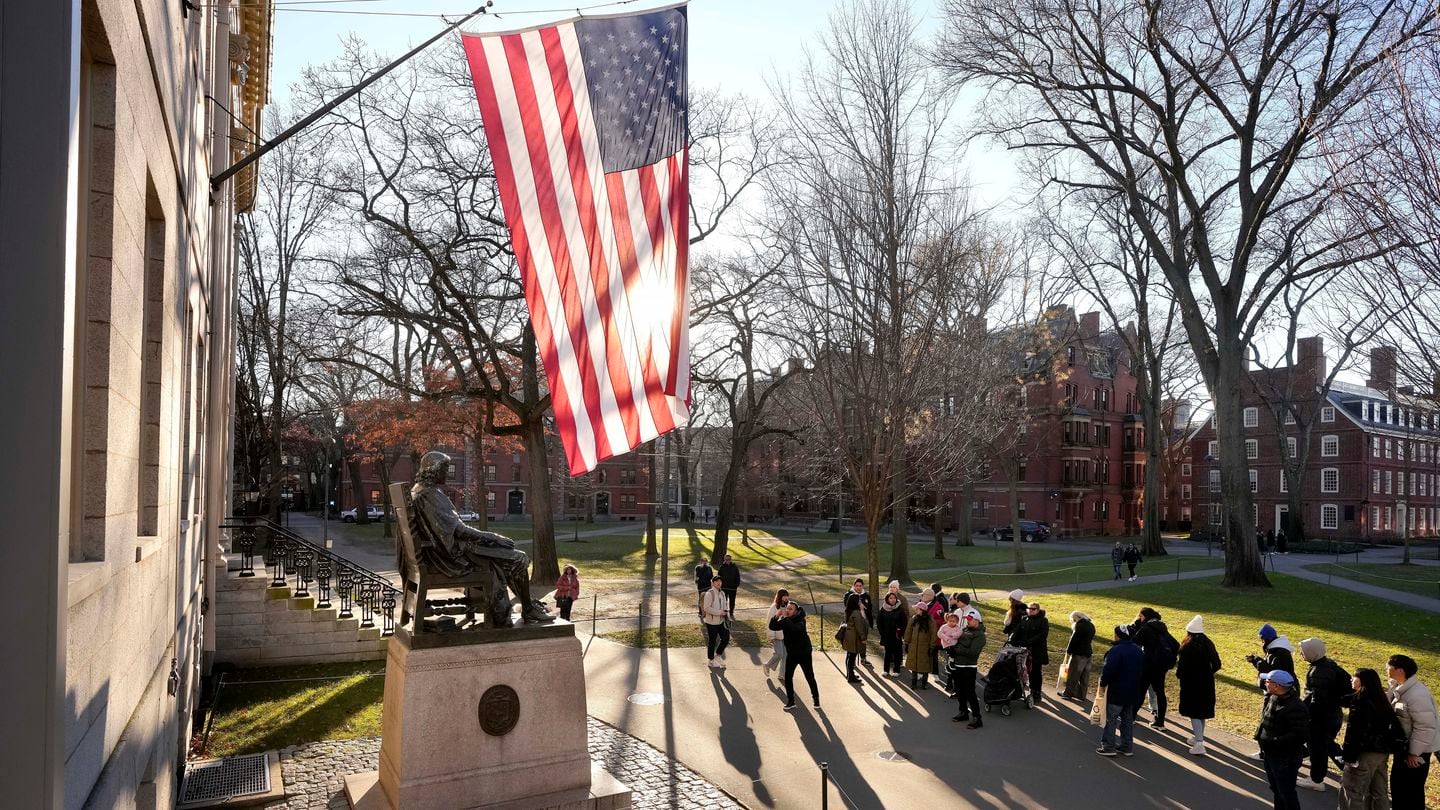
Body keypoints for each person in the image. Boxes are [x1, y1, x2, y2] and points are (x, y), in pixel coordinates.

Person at [409, 451, 551, 624]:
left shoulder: (419, 490)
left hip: (439, 553)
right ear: (434, 469)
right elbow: (460, 530)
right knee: (519, 558)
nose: (447, 473)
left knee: (508, 557)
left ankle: (528, 607)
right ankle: (527, 610)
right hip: (451, 557)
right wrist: (494, 537)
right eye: (445, 468)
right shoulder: (430, 495)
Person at [1338, 668, 1399, 810]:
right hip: (1381, 752)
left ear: (1363, 681)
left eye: (1354, 678)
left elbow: (1355, 732)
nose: (1351, 680)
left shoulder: (1360, 701)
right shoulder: (1381, 698)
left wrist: (1349, 757)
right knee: (1379, 791)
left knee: (1353, 790)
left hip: (1363, 753)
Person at [1298, 637, 1352, 792]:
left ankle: (1316, 780)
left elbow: (1317, 700)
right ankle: (1349, 771)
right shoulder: (1330, 665)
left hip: (1321, 718)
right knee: (1328, 745)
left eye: (1303, 652)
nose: (1301, 654)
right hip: (1334, 714)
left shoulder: (1318, 672)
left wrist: (1308, 716)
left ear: (1311, 653)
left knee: (1318, 748)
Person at [1387, 653, 1438, 809]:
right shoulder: (1400, 687)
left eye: (1389, 666)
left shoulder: (1417, 695)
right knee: (1399, 787)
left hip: (1417, 752)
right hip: (1405, 747)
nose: (1386, 669)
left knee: (1411, 791)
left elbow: (1425, 727)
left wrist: (1414, 753)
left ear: (1400, 671)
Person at [1254, 670, 1310, 810]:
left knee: (1286, 793)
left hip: (1284, 758)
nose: (1265, 683)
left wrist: (1275, 741)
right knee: (1277, 790)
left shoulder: (1295, 707)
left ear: (1277, 686)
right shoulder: (1274, 697)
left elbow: (1300, 734)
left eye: (1268, 681)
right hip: (1271, 754)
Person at [1247, 623, 1297, 759]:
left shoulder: (1278, 653)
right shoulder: (1278, 651)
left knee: (1269, 724)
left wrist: (1257, 661)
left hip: (1276, 693)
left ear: (1267, 639)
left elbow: (1273, 673)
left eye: (1263, 640)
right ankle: (1265, 751)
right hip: (1276, 692)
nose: (1262, 643)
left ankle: (1266, 752)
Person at [1175, 615, 1222, 756]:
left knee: (1193, 712)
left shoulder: (1187, 648)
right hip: (1206, 682)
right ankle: (1198, 736)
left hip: (1191, 684)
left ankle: (1199, 743)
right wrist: (1207, 673)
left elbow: (1181, 669)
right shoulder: (1208, 643)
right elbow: (1217, 664)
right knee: (1202, 712)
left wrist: (1181, 675)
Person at [1097, 625, 1145, 757]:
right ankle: (1126, 746)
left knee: (1111, 719)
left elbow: (1109, 670)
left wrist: (1103, 683)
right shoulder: (1138, 650)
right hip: (1132, 690)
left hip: (1117, 690)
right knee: (1127, 720)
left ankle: (1108, 746)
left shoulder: (1116, 650)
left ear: (1118, 636)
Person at [1131, 607, 1178, 728]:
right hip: (1161, 666)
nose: (1139, 619)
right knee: (1160, 693)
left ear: (1145, 616)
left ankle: (1131, 716)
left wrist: (1136, 627)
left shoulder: (1146, 628)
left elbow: (1134, 642)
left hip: (1148, 664)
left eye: (1140, 616)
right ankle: (1160, 721)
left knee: (1140, 691)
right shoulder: (1162, 627)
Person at [768, 601, 819, 710]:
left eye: (791, 609)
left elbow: (795, 629)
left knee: (809, 676)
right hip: (792, 654)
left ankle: (816, 699)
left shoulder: (801, 620)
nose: (787, 610)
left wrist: (785, 619)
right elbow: (772, 626)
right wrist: (776, 616)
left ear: (796, 611)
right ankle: (791, 701)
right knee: (788, 677)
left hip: (804, 653)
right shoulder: (785, 620)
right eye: (787, 608)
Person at [1006, 601, 1051, 705]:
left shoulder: (1043, 621)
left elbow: (1042, 635)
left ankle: (1036, 692)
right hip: (1024, 650)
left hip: (1036, 651)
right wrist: (1012, 638)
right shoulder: (1024, 619)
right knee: (1021, 669)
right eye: (1029, 608)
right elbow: (1017, 630)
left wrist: (1029, 642)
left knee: (1035, 672)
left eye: (1033, 609)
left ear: (1038, 610)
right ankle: (1019, 689)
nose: (1030, 611)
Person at [951, 612, 986, 728]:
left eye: (970, 619)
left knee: (970, 692)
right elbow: (957, 643)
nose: (968, 621)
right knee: (959, 691)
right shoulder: (965, 630)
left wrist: (957, 650)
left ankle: (977, 717)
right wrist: (953, 648)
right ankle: (963, 712)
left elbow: (973, 653)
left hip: (969, 667)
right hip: (959, 665)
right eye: (967, 619)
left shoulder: (980, 635)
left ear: (977, 620)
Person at [1061, 610, 1096, 703]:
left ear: (1076, 618)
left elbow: (1074, 640)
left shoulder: (1079, 625)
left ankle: (1068, 693)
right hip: (1088, 653)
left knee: (1073, 674)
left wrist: (1069, 651)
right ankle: (1081, 695)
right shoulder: (1091, 625)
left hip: (1079, 653)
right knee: (1085, 675)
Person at [904, 602, 937, 690]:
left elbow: (933, 633)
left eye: (917, 609)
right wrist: (907, 642)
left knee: (925, 665)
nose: (916, 610)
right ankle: (913, 682)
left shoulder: (930, 620)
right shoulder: (914, 618)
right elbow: (908, 630)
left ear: (922, 610)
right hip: (914, 646)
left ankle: (924, 683)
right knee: (913, 664)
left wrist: (932, 646)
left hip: (925, 646)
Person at [701, 576, 730, 668]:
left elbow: (725, 605)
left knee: (726, 638)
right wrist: (719, 613)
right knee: (712, 641)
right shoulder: (709, 594)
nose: (719, 583)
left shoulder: (722, 593)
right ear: (713, 583)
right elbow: (706, 608)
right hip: (711, 622)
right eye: (717, 581)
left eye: (720, 581)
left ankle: (718, 655)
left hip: (721, 621)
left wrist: (726, 613)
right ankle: (711, 660)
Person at [840, 591, 869, 684]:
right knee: (852, 656)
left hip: (848, 637)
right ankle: (851, 676)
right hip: (853, 638)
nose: (860, 602)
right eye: (859, 600)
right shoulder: (856, 612)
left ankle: (849, 673)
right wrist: (863, 638)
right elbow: (859, 627)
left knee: (849, 656)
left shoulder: (848, 611)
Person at [877, 591, 907, 677]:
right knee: (887, 653)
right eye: (891, 598)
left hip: (896, 636)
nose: (893, 600)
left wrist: (900, 632)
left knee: (897, 653)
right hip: (886, 635)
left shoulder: (900, 609)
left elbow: (904, 622)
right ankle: (886, 670)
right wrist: (882, 632)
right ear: (887, 599)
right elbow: (879, 622)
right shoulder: (883, 609)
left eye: (894, 598)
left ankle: (896, 670)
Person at [762, 589, 790, 678]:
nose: (786, 597)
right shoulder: (774, 607)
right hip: (777, 635)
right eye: (784, 595)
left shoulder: (789, 606)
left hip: (786, 635)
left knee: (786, 656)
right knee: (779, 654)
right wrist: (771, 636)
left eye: (787, 595)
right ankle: (767, 665)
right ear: (780, 596)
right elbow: (770, 622)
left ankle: (782, 674)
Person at [847, 578, 874, 667]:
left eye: (860, 586)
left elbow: (869, 608)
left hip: (864, 621)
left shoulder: (866, 596)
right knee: (853, 642)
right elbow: (848, 608)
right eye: (857, 585)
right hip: (854, 622)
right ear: (854, 586)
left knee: (863, 640)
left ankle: (863, 659)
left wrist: (870, 621)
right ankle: (851, 661)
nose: (858, 587)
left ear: (862, 586)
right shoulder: (849, 595)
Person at [938, 612, 963, 696]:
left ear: (957, 622)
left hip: (954, 648)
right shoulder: (944, 627)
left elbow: (960, 633)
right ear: (947, 620)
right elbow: (939, 633)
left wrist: (954, 635)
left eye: (954, 621)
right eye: (950, 621)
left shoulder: (957, 628)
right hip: (947, 647)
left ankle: (951, 685)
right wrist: (946, 638)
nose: (952, 623)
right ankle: (949, 684)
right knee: (949, 666)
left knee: (952, 667)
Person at [717, 554, 741, 620]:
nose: (727, 561)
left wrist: (736, 585)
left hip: (733, 588)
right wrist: (720, 585)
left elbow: (738, 576)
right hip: (724, 588)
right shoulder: (722, 567)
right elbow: (718, 577)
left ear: (731, 560)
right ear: (724, 560)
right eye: (726, 559)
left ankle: (731, 612)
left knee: (732, 601)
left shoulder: (734, 567)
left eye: (729, 559)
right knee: (724, 601)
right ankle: (724, 613)